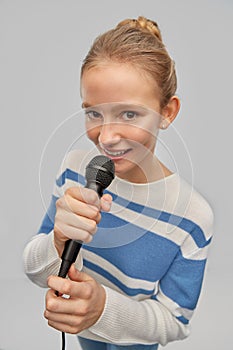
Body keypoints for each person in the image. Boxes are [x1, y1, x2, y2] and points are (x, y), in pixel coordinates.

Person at [23, 16, 214, 349]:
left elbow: (174, 323)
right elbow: (37, 271)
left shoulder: (193, 216)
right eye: (94, 113)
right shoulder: (74, 171)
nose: (107, 137)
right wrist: (56, 241)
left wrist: (102, 310)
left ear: (167, 111)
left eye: (129, 114)